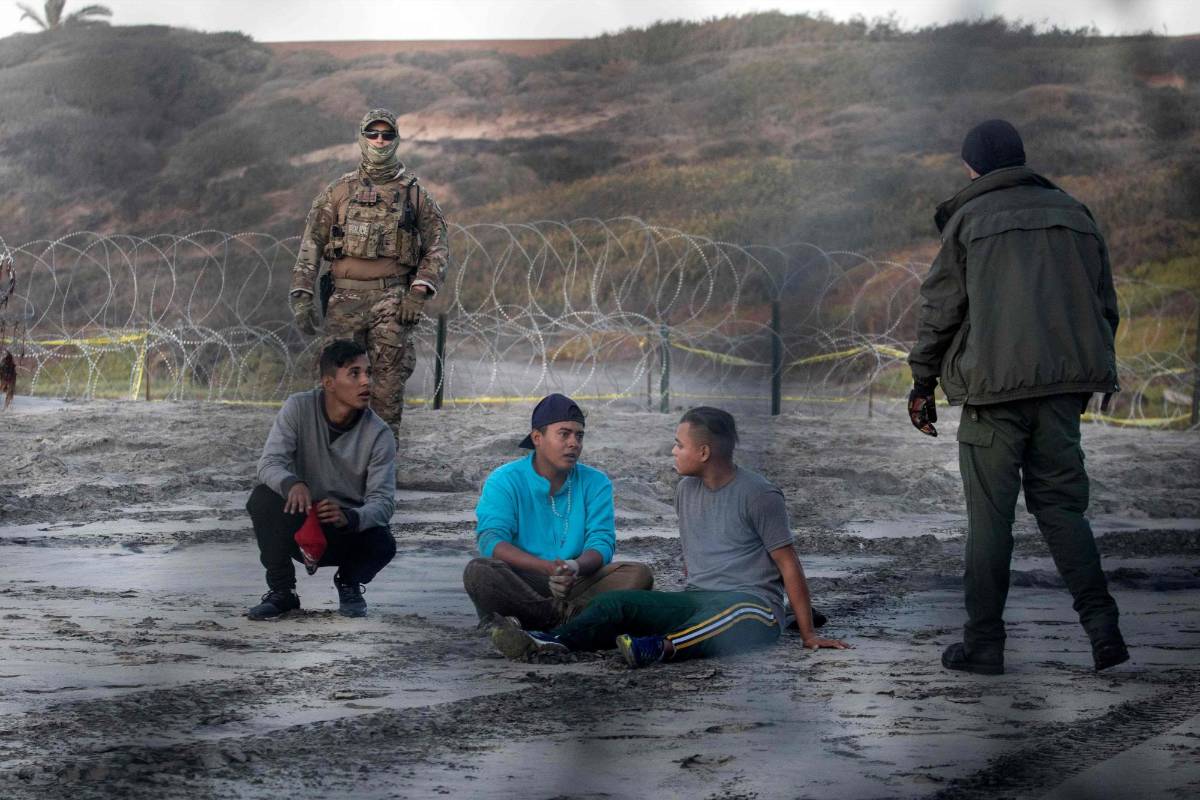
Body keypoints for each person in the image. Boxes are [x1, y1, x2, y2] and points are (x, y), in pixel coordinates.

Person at [907, 119, 1127, 674]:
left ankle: (984, 644)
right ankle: (1103, 628)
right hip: (1062, 390)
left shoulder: (969, 219)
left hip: (993, 393)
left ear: (972, 167)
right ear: (1021, 159)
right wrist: (1086, 374)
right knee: (1063, 511)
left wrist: (922, 381)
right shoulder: (1075, 213)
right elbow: (1105, 305)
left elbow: (940, 311)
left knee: (990, 522)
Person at [491, 407, 848, 667]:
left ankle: (659, 648)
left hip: (752, 605)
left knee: (731, 614)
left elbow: (789, 564)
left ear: (704, 452)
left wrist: (808, 635)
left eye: (679, 445)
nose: (672, 451)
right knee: (617, 604)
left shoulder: (760, 494)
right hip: (697, 599)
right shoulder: (685, 490)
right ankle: (550, 641)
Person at [288, 108, 449, 442]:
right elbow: (311, 243)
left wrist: (418, 292)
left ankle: (380, 459)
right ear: (362, 138)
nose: (379, 141)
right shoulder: (338, 192)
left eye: (387, 135)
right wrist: (302, 294)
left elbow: (437, 246)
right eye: (372, 134)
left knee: (386, 387)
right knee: (337, 386)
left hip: (393, 300)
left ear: (396, 139)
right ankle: (335, 454)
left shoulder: (414, 194)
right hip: (343, 302)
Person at [463, 393, 654, 629]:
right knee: (480, 571)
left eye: (579, 435)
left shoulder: (596, 482)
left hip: (575, 582)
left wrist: (574, 567)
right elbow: (491, 540)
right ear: (537, 438)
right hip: (522, 580)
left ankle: (547, 620)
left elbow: (602, 542)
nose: (574, 443)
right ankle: (570, 620)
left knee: (638, 574)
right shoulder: (505, 479)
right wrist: (546, 568)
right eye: (564, 434)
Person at [246, 339, 397, 620]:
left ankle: (349, 583)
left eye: (368, 373)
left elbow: (383, 502)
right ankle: (282, 591)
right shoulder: (298, 408)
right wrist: (292, 484)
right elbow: (269, 463)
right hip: (301, 519)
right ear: (329, 383)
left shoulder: (379, 434)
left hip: (344, 530)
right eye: (354, 373)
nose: (366, 381)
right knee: (262, 499)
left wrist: (349, 518)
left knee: (383, 542)